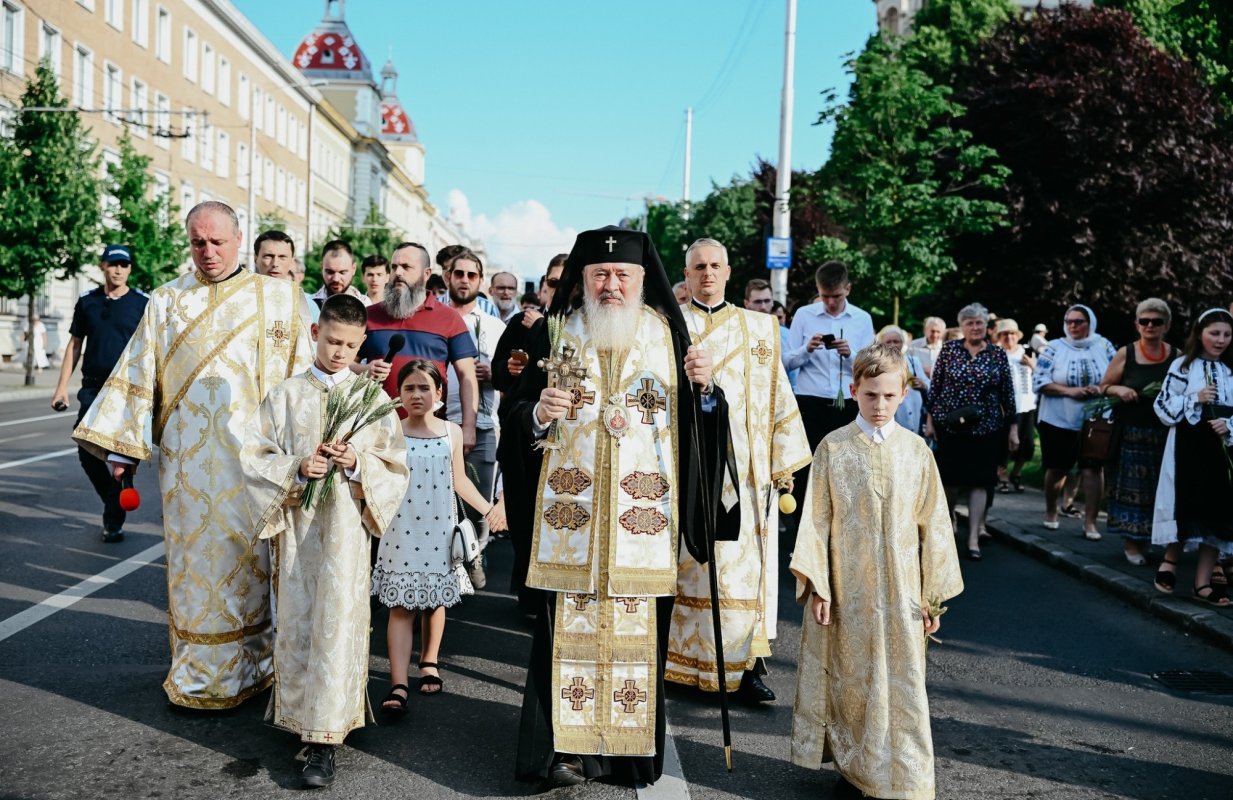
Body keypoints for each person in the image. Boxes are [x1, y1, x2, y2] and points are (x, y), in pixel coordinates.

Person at [72, 201, 313, 709]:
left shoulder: (278, 299)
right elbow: (138, 374)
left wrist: (304, 455)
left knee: (254, 569)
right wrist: (123, 450)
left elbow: (301, 384)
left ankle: (261, 666)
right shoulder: (165, 301)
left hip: (255, 462)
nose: (207, 252)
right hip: (187, 468)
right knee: (195, 571)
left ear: (238, 237)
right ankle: (200, 674)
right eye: (198, 242)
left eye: (218, 242)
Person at [509, 226, 714, 788]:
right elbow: (517, 415)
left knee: (637, 636)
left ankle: (627, 754)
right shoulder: (559, 332)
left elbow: (701, 430)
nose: (611, 285)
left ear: (643, 280)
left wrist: (706, 392)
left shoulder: (670, 337)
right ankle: (563, 753)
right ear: (582, 278)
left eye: (623, 275)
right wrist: (537, 413)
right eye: (600, 275)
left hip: (641, 522)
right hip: (568, 520)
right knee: (561, 639)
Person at [240, 294, 409, 788]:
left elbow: (395, 464)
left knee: (337, 622)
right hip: (296, 532)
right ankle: (295, 715)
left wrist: (356, 462)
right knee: (298, 618)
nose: (340, 352)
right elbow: (254, 454)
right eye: (333, 341)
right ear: (316, 333)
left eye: (351, 345)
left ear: (361, 343)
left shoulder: (372, 399)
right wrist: (297, 467)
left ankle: (325, 739)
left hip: (344, 536)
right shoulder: (286, 394)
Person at [790, 343, 963, 800]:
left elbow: (935, 525)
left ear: (904, 393)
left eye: (889, 396)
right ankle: (857, 769)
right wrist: (820, 587)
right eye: (871, 396)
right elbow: (817, 519)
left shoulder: (917, 451)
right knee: (853, 682)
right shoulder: (833, 446)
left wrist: (933, 599)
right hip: (851, 591)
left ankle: (904, 775)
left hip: (905, 593)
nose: (880, 405)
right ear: (854, 391)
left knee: (903, 684)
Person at [667, 239, 810, 704]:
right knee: (684, 563)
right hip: (682, 466)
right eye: (697, 267)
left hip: (744, 472)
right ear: (685, 275)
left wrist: (782, 460)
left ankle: (744, 665)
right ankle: (676, 663)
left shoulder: (760, 328)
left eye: (714, 266)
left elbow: (778, 395)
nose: (706, 273)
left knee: (742, 570)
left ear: (728, 271)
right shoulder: (668, 325)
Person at [373, 360, 507, 709]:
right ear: (398, 395)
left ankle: (429, 661)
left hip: (438, 527)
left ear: (439, 394)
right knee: (400, 606)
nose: (417, 394)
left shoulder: (451, 432)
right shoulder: (389, 430)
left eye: (424, 388)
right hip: (400, 528)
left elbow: (459, 480)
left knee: (435, 601)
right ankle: (398, 683)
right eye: (409, 388)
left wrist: (490, 510)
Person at [52, 244, 149, 543]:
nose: (119, 270)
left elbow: (151, 349)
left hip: (126, 391)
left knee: (121, 458)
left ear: (130, 269)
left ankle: (113, 520)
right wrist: (61, 389)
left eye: (124, 265)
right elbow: (75, 344)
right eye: (113, 264)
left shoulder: (143, 303)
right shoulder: (87, 302)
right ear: (103, 266)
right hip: (93, 387)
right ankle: (113, 497)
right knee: (86, 450)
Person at [492, 254, 566, 616]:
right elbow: (501, 376)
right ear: (543, 287)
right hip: (529, 438)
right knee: (530, 523)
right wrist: (508, 370)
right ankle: (531, 598)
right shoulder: (529, 326)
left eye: (566, 282)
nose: (559, 289)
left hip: (572, 447)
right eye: (553, 282)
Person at [356, 242, 479, 455]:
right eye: (394, 267)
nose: (398, 273)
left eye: (406, 267)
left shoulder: (449, 318)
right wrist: (364, 370)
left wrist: (468, 427)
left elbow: (467, 375)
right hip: (375, 434)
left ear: (426, 274)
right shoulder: (369, 315)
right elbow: (343, 364)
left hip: (431, 433)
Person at [783, 261, 876, 530]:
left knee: (847, 467)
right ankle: (803, 528)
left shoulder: (862, 318)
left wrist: (851, 355)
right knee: (806, 465)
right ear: (818, 290)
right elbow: (787, 362)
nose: (831, 303)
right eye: (825, 296)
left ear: (848, 289)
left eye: (836, 296)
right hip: (810, 399)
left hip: (847, 401)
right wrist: (806, 349)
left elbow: (870, 367)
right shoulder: (804, 314)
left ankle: (845, 526)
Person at [1152, 308, 1233, 606]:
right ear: (1200, 334)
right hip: (1188, 444)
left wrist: (1230, 424)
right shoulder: (1182, 367)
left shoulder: (1230, 369)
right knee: (1185, 500)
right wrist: (1194, 398)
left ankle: (1202, 583)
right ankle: (1169, 562)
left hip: (1221, 446)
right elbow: (1162, 406)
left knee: (1218, 511)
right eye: (1214, 333)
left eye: (1227, 334)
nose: (1221, 340)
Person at [925, 303, 1017, 561]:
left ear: (987, 326)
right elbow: (936, 388)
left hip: (987, 429)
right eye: (970, 323)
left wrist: (1013, 428)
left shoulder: (997, 354)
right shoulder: (950, 350)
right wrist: (931, 420)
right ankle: (950, 515)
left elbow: (1007, 394)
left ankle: (974, 537)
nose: (975, 327)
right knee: (951, 483)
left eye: (979, 323)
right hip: (951, 427)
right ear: (962, 326)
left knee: (980, 483)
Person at [443, 247, 507, 588]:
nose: (464, 280)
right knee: (445, 501)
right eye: (458, 274)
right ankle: (447, 566)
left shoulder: (494, 326)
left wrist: (492, 374)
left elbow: (512, 376)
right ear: (447, 277)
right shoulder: (435, 317)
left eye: (471, 275)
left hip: (482, 425)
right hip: (440, 422)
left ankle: (476, 552)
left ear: (480, 281)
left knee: (480, 500)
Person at [1099, 300, 1176, 566]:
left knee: (1160, 491)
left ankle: (1150, 539)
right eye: (1144, 321)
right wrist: (1119, 390)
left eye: (1156, 321)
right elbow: (1104, 386)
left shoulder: (1177, 356)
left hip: (1164, 434)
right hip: (1131, 434)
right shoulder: (1127, 353)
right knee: (1132, 491)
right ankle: (1131, 543)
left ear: (1166, 325)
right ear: (1137, 324)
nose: (1150, 326)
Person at [1033, 304, 1117, 538]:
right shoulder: (1055, 347)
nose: (1073, 326)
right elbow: (1039, 381)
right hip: (1058, 418)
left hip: (1096, 418)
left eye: (1079, 321)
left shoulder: (1103, 345)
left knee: (1092, 468)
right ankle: (1051, 510)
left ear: (1090, 322)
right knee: (1058, 467)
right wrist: (1070, 391)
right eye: (1069, 321)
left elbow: (1117, 375)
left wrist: (1100, 388)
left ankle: (1090, 522)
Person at [994, 319, 1038, 493]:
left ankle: (1016, 473)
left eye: (1012, 333)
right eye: (1005, 334)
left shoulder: (1027, 351)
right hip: (1005, 408)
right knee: (1005, 445)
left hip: (1027, 404)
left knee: (1027, 445)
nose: (1009, 337)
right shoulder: (996, 354)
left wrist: (1032, 365)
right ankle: (1002, 475)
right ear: (999, 336)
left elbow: (1040, 375)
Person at [876, 324, 929, 435]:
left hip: (915, 411)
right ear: (881, 344)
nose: (893, 345)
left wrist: (923, 385)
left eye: (896, 341)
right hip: (891, 413)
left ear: (902, 343)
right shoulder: (876, 363)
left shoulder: (913, 361)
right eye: (888, 342)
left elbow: (929, 384)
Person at [436, 244, 501, 317]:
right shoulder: (433, 306)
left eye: (471, 275)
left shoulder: (489, 308)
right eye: (458, 272)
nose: (464, 280)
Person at [310, 240, 371, 308]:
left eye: (342, 272)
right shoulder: (309, 305)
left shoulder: (365, 305)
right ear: (322, 268)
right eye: (330, 272)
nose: (336, 279)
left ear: (353, 269)